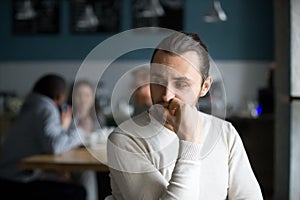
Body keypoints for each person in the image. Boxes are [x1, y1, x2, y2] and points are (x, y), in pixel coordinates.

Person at [107, 32, 264, 199]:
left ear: (205, 87)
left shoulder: (225, 133)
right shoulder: (124, 140)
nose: (167, 95)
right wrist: (190, 143)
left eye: (181, 84)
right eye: (158, 80)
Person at [0, 74, 96, 200]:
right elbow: (54, 146)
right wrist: (80, 132)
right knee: (79, 191)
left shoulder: (33, 106)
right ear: (60, 96)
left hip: (9, 176)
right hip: (18, 181)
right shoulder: (46, 108)